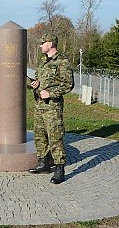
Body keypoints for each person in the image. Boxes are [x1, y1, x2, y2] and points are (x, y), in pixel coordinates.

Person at [28, 33, 74, 184]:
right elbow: (40, 81)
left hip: (53, 107)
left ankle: (60, 168)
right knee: (40, 135)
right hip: (39, 105)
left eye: (43, 43)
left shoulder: (62, 61)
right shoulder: (42, 62)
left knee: (55, 136)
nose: (40, 46)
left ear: (51, 44)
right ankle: (43, 163)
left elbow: (68, 84)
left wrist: (51, 93)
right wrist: (35, 85)